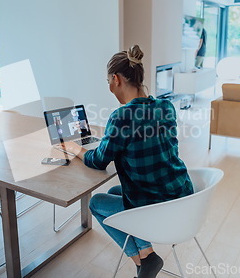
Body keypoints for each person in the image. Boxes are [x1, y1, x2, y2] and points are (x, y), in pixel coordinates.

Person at [57, 45, 194, 278]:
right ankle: (146, 259)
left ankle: (145, 261)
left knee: (97, 202)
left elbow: (99, 161)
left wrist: (75, 148)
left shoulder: (122, 117)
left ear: (116, 79)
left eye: (108, 81)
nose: (109, 87)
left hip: (158, 208)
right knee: (114, 189)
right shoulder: (166, 107)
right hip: (183, 197)